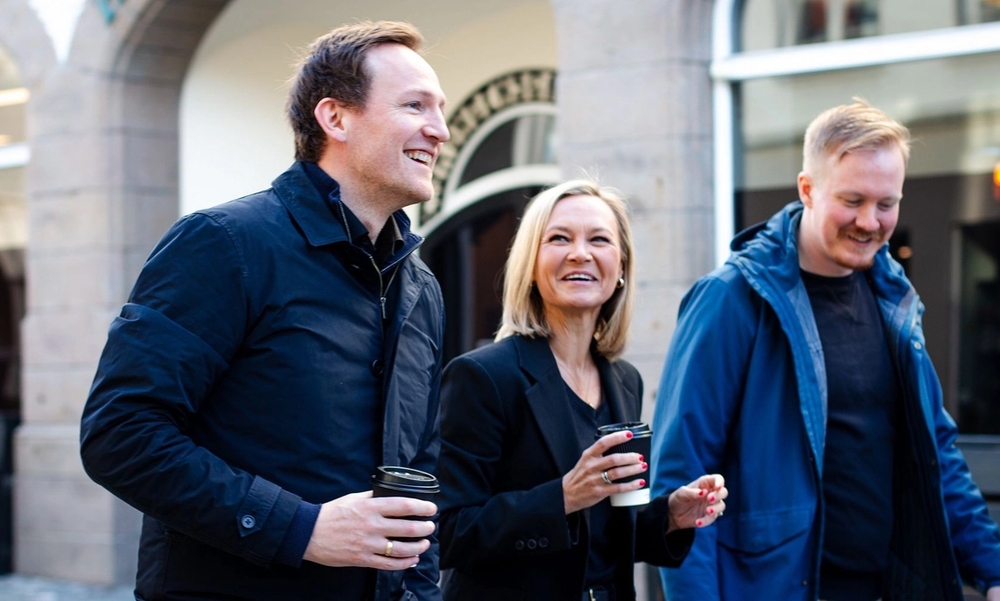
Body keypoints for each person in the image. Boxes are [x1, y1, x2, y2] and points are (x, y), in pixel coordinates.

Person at [79, 21, 449, 601]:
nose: (441, 130)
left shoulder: (422, 287)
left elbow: (420, 477)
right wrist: (301, 530)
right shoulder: (225, 243)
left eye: (441, 110)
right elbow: (120, 434)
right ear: (336, 118)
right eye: (415, 106)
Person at [651, 99, 1000, 601]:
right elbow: (683, 479)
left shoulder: (894, 298)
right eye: (852, 200)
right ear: (807, 190)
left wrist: (990, 568)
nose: (870, 221)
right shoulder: (732, 298)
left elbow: (935, 453)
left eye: (886, 203)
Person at [435, 179, 728, 601]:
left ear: (621, 266)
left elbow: (606, 533)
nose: (580, 253)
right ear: (531, 264)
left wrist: (668, 517)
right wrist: (563, 497)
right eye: (559, 238)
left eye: (599, 239)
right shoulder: (483, 377)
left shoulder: (624, 380)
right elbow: (447, 531)